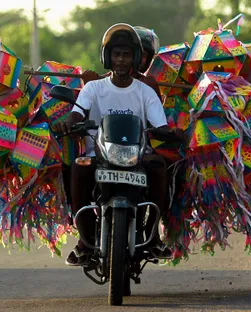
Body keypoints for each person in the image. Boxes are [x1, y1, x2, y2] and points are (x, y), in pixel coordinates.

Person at [53, 23, 181, 266]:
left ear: (134, 58)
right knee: (77, 167)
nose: (121, 60)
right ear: (107, 57)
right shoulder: (93, 87)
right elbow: (77, 113)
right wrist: (67, 123)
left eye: (126, 55)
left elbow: (159, 124)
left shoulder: (146, 91)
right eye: (116, 54)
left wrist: (171, 132)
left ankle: (153, 236)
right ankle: (85, 239)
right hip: (99, 155)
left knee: (159, 166)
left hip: (137, 156)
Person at [81, 26, 162, 100]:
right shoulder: (97, 82)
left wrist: (153, 91)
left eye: (143, 55)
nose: (122, 59)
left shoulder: (148, 84)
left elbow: (156, 114)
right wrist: (89, 88)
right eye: (118, 54)